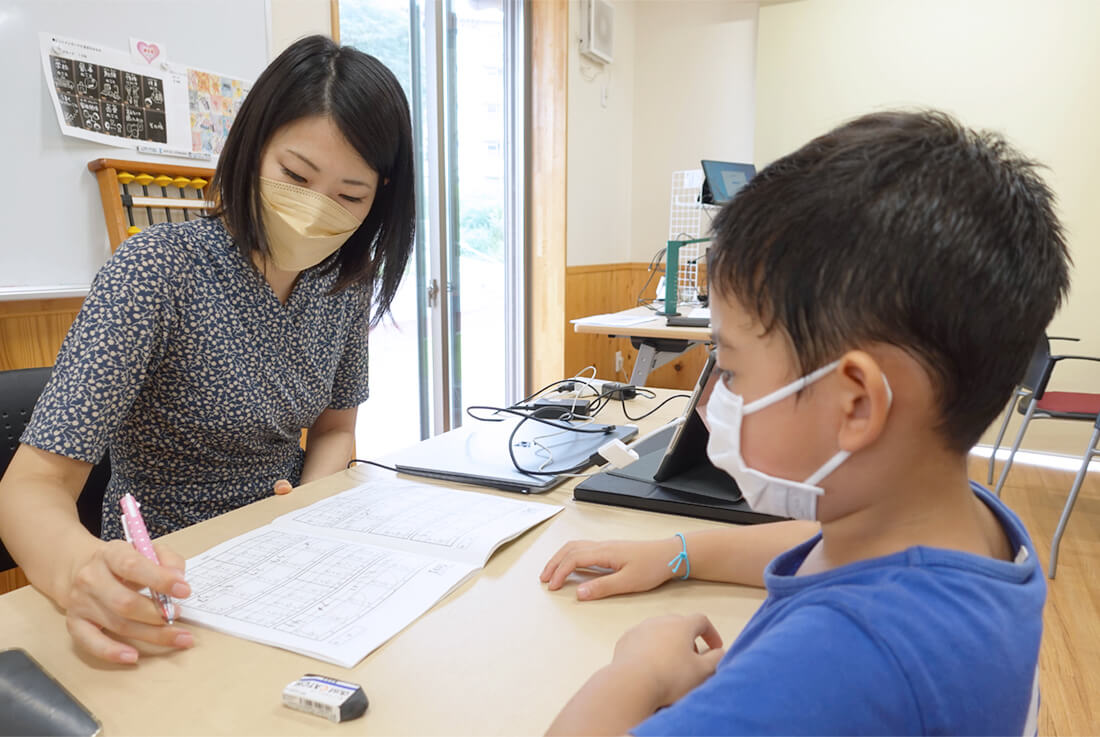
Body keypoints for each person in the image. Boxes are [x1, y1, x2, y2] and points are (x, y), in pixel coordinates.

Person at [541, 110, 1069, 735]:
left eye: (731, 372)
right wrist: (676, 552)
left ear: (855, 405)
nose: (710, 405)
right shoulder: (964, 527)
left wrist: (635, 673)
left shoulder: (837, 667)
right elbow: (814, 545)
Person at [0, 35, 415, 665]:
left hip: (288, 565)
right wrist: (83, 571)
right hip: (168, 577)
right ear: (251, 150)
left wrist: (303, 509)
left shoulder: (342, 287)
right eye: (296, 177)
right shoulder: (154, 272)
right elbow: (30, 488)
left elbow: (336, 427)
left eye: (349, 196)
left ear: (378, 198)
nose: (314, 213)